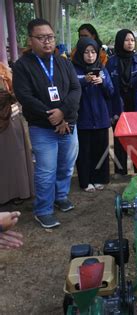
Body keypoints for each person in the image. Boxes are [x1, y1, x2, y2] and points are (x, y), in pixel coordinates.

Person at [13, 18, 81, 229]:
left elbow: (75, 89)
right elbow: (25, 97)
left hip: (68, 123)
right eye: (41, 38)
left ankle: (60, 196)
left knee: (66, 166)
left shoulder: (63, 62)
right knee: (46, 170)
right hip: (42, 127)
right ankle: (43, 210)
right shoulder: (22, 66)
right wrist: (52, 116)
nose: (47, 42)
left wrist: (64, 115)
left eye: (50, 37)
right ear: (30, 40)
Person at [72, 37, 114, 192]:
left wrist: (102, 83)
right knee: (84, 151)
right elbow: (70, 89)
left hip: (101, 118)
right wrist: (85, 81)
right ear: (80, 53)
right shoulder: (74, 70)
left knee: (100, 150)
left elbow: (111, 91)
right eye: (86, 52)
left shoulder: (102, 69)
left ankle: (99, 178)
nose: (90, 56)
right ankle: (86, 181)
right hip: (83, 118)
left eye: (93, 52)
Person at [106, 29, 137, 177]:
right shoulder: (111, 62)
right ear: (120, 41)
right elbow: (108, 87)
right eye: (127, 40)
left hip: (136, 105)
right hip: (118, 104)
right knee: (120, 139)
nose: (130, 43)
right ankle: (120, 170)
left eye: (132, 40)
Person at [0, 64, 34, 207]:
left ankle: (16, 192)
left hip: (8, 120)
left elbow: (16, 93)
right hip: (9, 119)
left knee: (13, 157)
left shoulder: (4, 72)